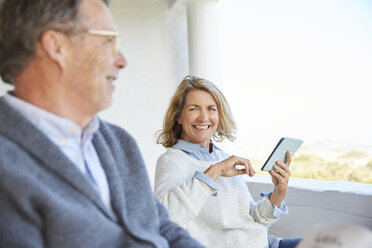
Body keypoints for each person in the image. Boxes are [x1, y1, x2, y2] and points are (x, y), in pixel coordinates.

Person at [0, 1, 204, 247]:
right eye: (109, 41)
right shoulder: (7, 168)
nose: (121, 60)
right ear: (56, 46)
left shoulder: (119, 143)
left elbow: (160, 225)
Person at [154, 75, 301, 248]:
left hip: (266, 243)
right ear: (179, 116)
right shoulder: (172, 161)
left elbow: (250, 218)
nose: (203, 118)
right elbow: (163, 221)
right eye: (194, 109)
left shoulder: (222, 157)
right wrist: (214, 172)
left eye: (211, 109)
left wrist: (278, 193)